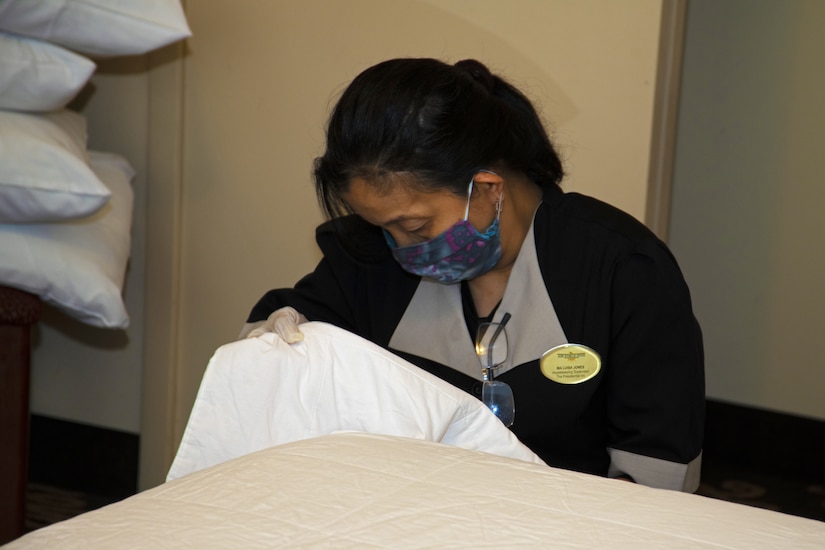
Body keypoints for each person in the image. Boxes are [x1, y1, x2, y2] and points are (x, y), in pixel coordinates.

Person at [240, 58, 705, 491]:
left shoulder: (621, 269)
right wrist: (273, 343)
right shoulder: (367, 262)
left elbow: (656, 468)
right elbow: (287, 329)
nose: (402, 248)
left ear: (486, 188)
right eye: (382, 228)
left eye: (416, 226)